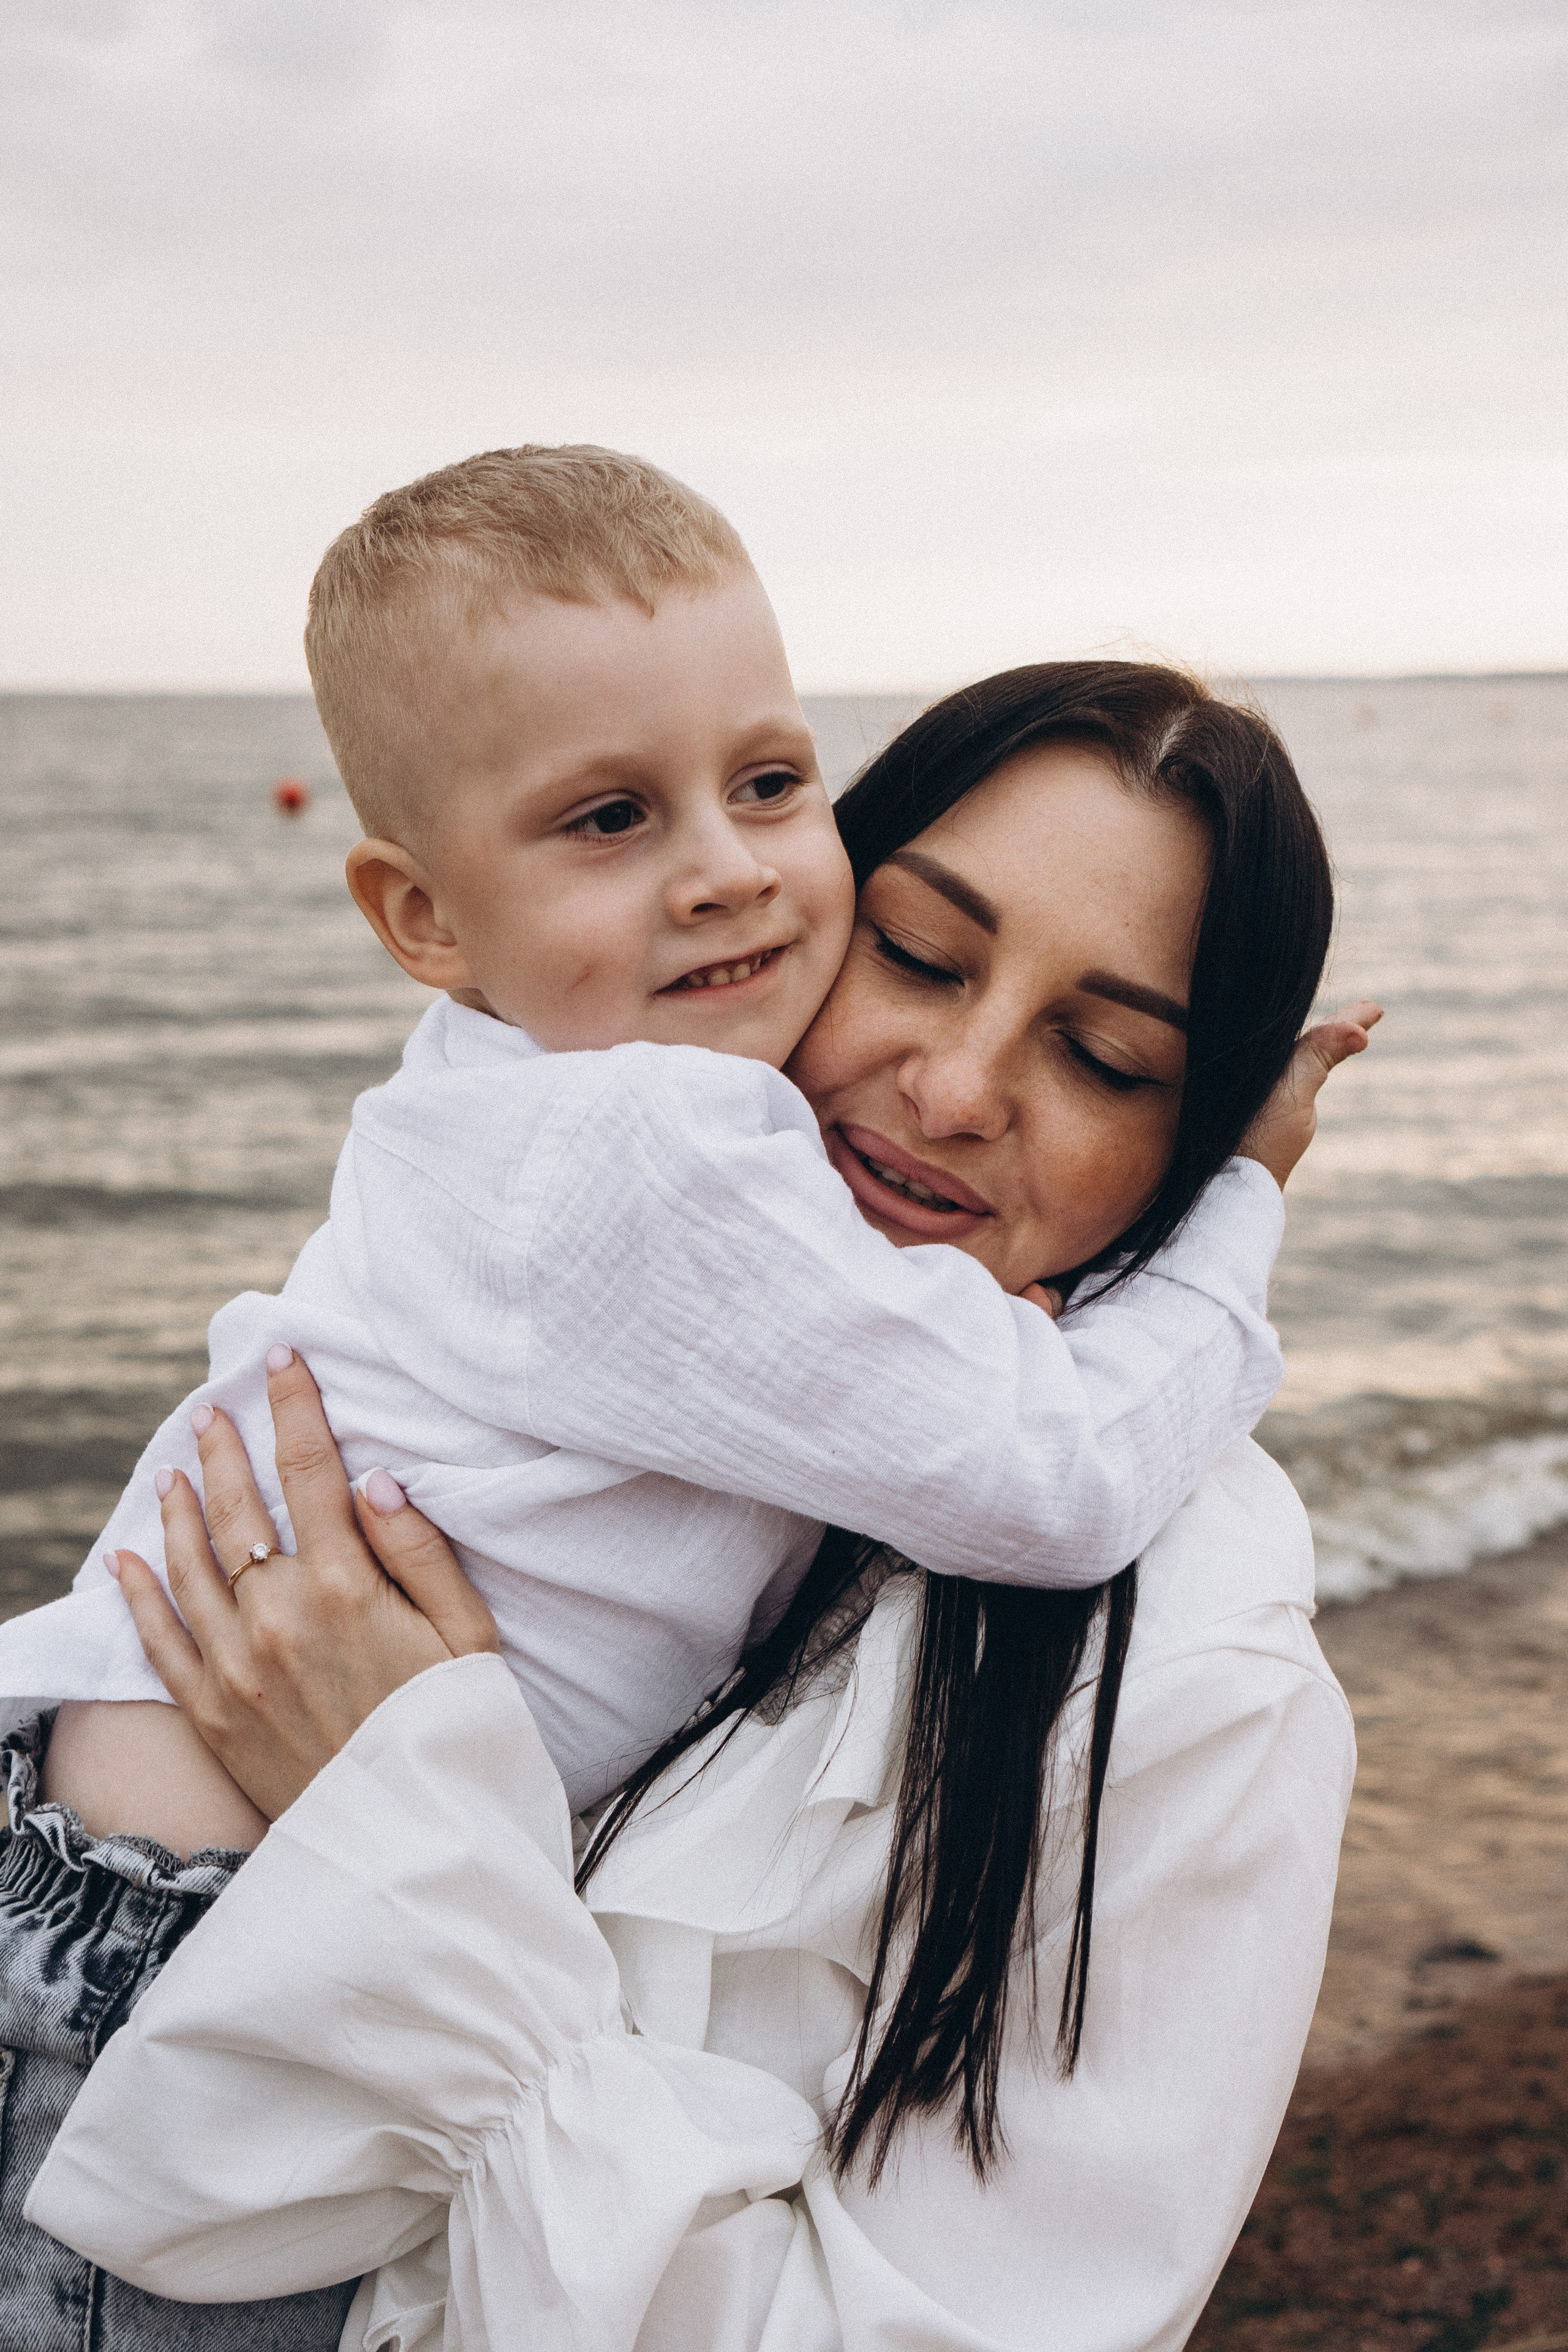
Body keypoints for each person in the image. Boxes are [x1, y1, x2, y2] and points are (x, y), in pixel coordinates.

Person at [29, 662, 1369, 2350]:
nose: (954, 1091)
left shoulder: (1196, 1681)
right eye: (917, 954)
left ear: (1194, 1140)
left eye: (1104, 1060)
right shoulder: (639, 1316)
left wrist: (409, 1817)